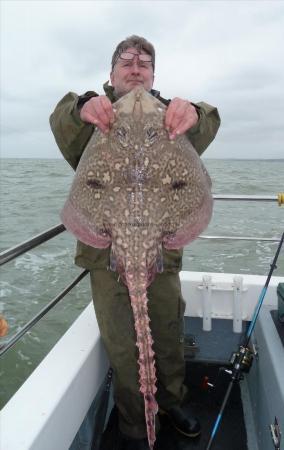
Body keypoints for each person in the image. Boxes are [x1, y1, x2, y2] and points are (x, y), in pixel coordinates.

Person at [50, 35, 220, 450]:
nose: (135, 67)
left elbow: (211, 122)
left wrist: (195, 113)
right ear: (111, 74)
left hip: (161, 247)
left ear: (153, 74)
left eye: (144, 62)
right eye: (126, 61)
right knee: (124, 343)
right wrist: (81, 106)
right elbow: (62, 120)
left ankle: (172, 402)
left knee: (166, 327)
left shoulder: (171, 117)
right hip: (107, 252)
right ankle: (132, 421)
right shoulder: (92, 115)